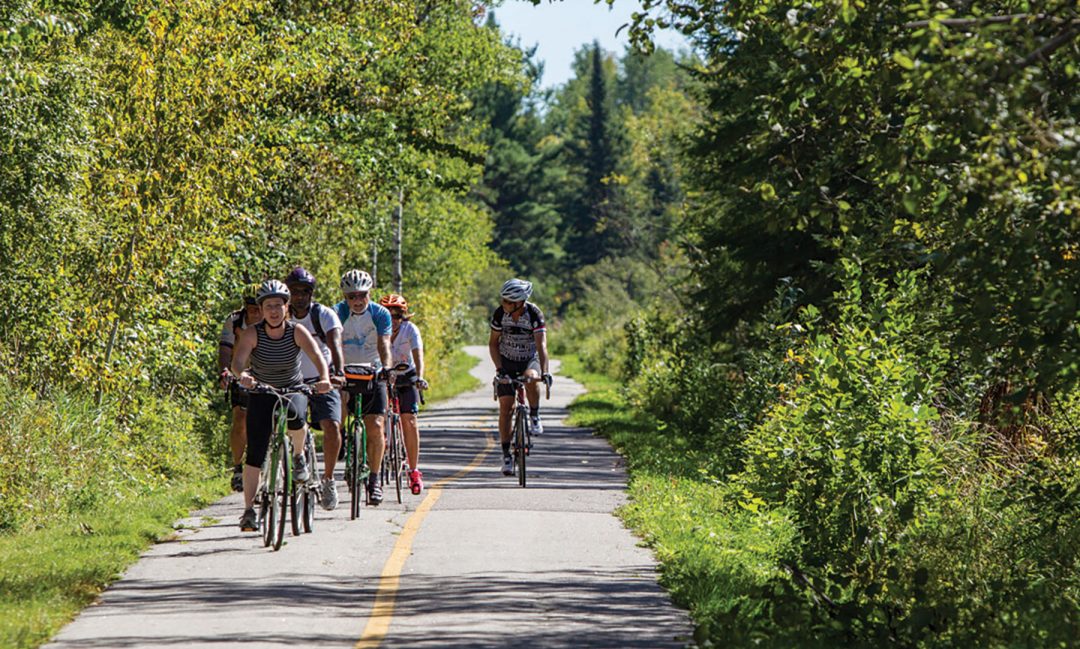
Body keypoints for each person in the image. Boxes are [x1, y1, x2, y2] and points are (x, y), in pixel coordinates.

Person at [230, 279, 332, 532]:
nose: (273, 311)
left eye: (278, 305)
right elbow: (238, 361)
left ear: (286, 307)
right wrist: (243, 375)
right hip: (262, 391)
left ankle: (298, 457)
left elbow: (317, 356)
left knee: (297, 418)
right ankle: (249, 511)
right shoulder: (252, 332)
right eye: (268, 306)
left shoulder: (296, 331)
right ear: (261, 310)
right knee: (254, 452)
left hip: (292, 388)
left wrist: (324, 378)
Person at [285, 266, 345, 511]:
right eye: (295, 291)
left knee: (332, 425)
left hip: (322, 379)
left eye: (305, 292)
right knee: (287, 423)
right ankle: (293, 461)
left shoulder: (324, 315)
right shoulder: (281, 316)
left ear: (311, 294)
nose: (299, 296)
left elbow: (335, 344)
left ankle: (329, 480)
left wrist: (337, 372)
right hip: (292, 381)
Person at [334, 269, 393, 505]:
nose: (357, 301)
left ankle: (375, 479)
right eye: (352, 296)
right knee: (338, 412)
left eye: (362, 295)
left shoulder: (380, 313)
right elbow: (333, 342)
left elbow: (384, 344)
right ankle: (340, 436)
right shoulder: (337, 312)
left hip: (372, 370)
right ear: (345, 297)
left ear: (370, 293)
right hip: (345, 370)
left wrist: (386, 368)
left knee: (376, 425)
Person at [489, 278, 551, 476]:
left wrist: (546, 371)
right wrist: (499, 369)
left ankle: (534, 414)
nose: (503, 304)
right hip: (507, 360)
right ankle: (506, 455)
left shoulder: (534, 314)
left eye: (508, 302)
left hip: (528, 359)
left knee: (532, 378)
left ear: (519, 303)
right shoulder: (500, 314)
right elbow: (493, 343)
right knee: (506, 407)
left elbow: (541, 346)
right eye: (503, 300)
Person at [380, 293, 428, 495]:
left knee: (409, 420)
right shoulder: (377, 329)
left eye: (397, 315)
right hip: (384, 375)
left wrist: (420, 377)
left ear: (404, 316)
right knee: (376, 418)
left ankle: (413, 470)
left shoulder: (410, 329)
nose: (393, 319)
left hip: (406, 375)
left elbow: (418, 356)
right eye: (389, 315)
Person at [217, 288, 262, 492]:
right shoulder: (234, 320)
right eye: (251, 309)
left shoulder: (274, 319)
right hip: (241, 373)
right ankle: (237, 467)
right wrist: (225, 371)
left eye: (258, 308)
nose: (255, 313)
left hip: (267, 374)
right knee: (240, 419)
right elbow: (225, 347)